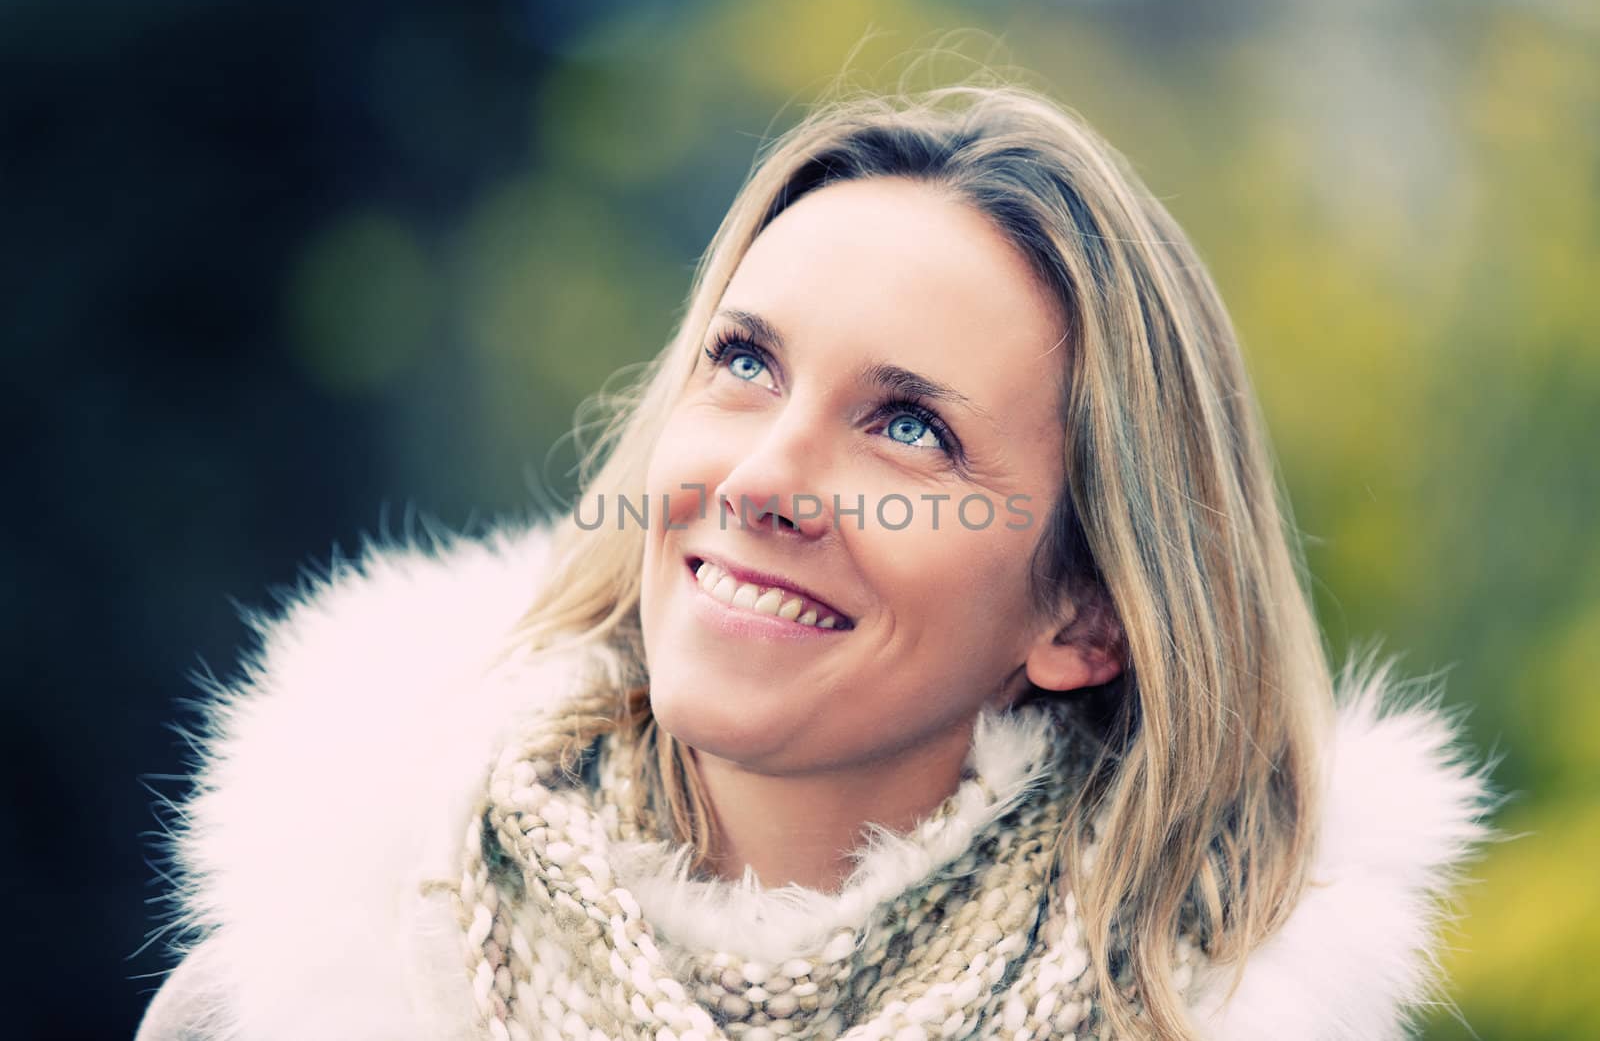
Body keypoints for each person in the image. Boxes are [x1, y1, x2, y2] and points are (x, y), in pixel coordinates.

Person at [136, 82, 1494, 1040]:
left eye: (908, 428)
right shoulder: (281, 1002)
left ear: (1086, 615)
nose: (765, 478)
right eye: (743, 363)